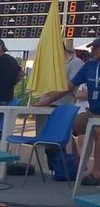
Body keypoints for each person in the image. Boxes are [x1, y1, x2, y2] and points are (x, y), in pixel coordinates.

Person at [39, 38, 100, 185]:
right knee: (65, 126)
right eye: (92, 48)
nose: (91, 51)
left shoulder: (78, 63)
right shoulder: (89, 66)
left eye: (95, 48)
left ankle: (97, 173)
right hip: (91, 112)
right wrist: (47, 101)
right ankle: (77, 162)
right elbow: (68, 87)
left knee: (98, 131)